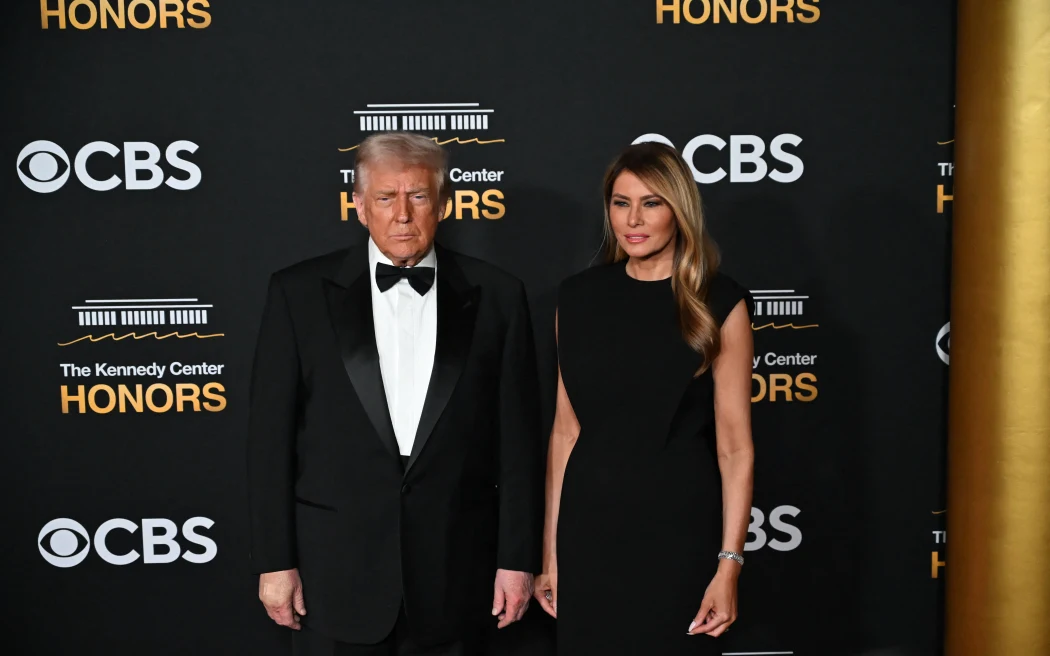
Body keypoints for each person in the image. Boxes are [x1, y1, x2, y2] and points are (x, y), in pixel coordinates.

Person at [246, 132, 542, 655]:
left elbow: (518, 444)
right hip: (332, 579)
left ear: (443, 205)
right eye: (385, 197)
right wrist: (275, 562)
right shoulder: (296, 294)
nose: (402, 214)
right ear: (358, 206)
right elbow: (270, 443)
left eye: (418, 196)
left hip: (457, 575)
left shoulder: (498, 295)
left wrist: (516, 560)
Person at [533, 142, 756, 654]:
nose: (633, 219)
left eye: (651, 203)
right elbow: (566, 432)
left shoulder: (719, 302)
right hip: (588, 531)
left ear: (679, 210)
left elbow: (735, 447)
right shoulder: (577, 297)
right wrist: (551, 554)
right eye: (620, 202)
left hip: (678, 533)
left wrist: (729, 566)